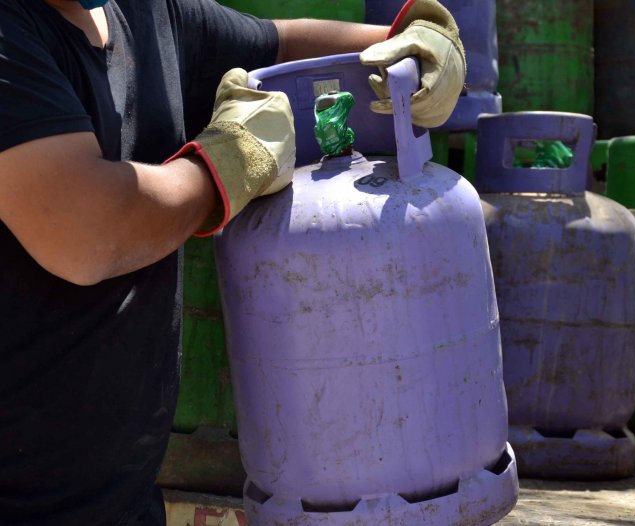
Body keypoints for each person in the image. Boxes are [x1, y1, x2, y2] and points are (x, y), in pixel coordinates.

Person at [0, 0, 465, 523]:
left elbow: (279, 46)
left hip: (117, 499)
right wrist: (224, 165)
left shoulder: (145, 15)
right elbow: (88, 232)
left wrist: (419, 41)